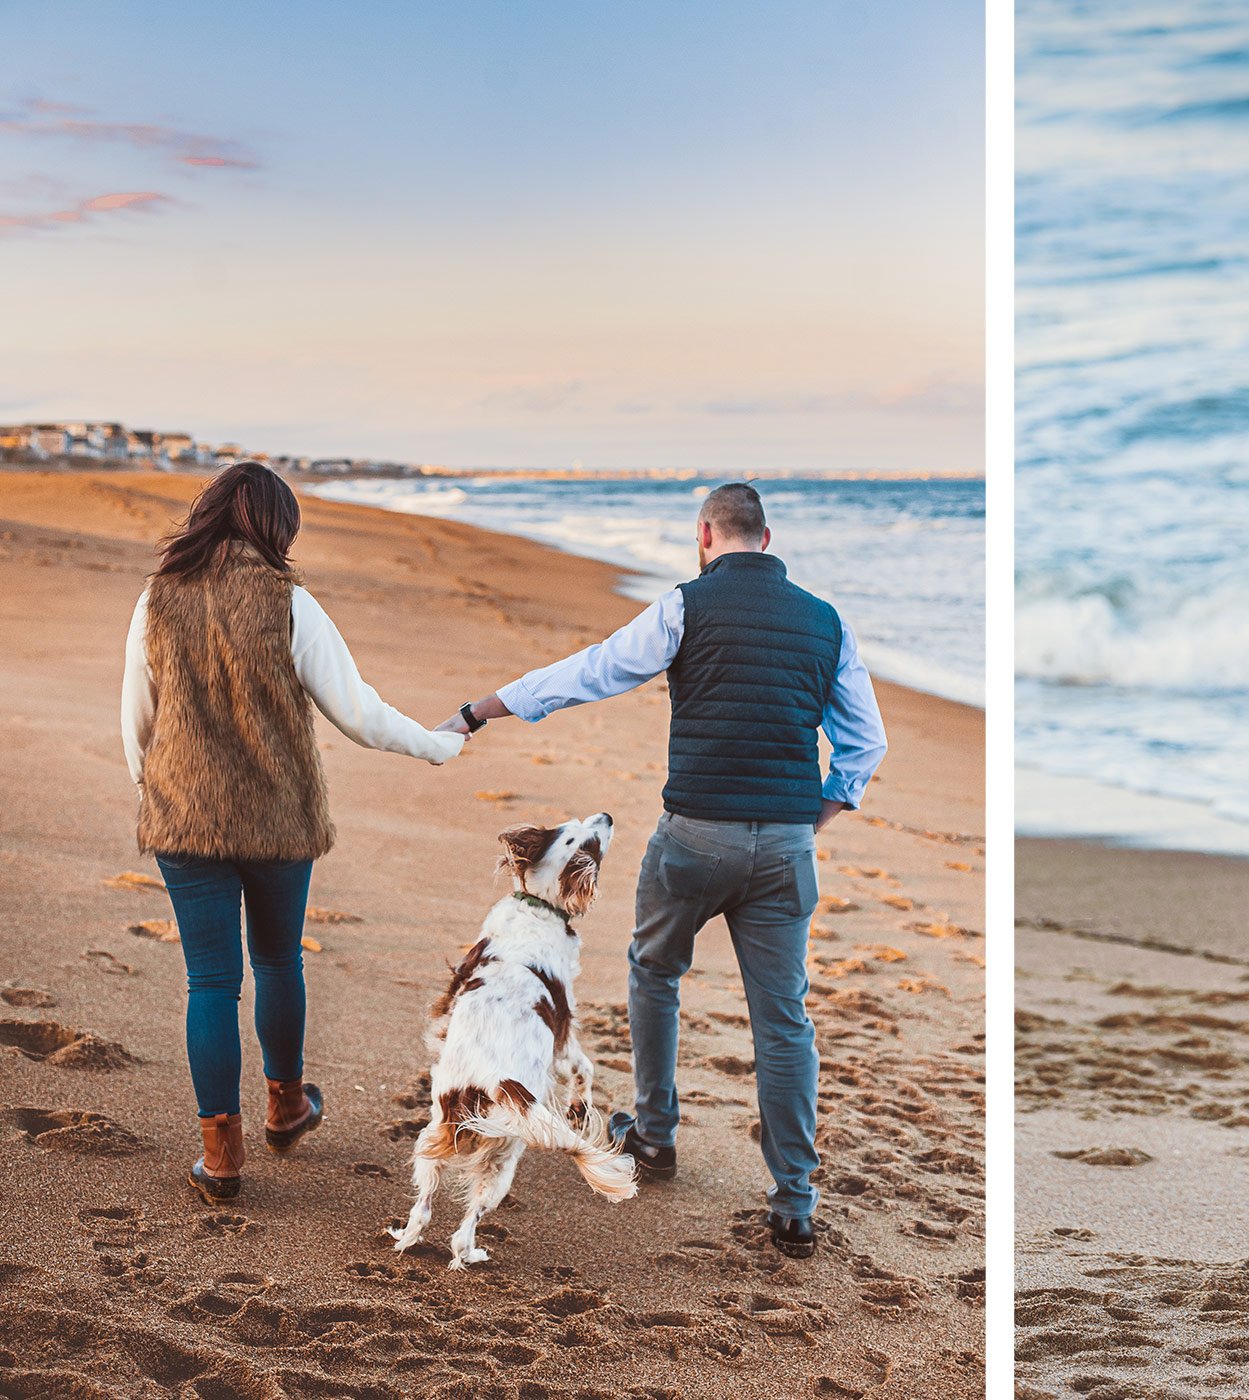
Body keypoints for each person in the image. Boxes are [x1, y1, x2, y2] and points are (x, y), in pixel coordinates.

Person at [444, 481, 887, 1260]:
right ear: (768, 537)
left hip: (693, 842)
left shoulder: (687, 606)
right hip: (785, 848)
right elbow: (864, 746)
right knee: (783, 1021)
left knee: (655, 970)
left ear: (705, 536)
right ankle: (794, 1203)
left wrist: (484, 708)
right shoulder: (830, 622)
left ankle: (654, 1135)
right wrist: (810, 820)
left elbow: (595, 671)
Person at [120, 462, 464, 1204]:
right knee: (277, 961)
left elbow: (137, 719)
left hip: (186, 819)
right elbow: (359, 713)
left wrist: (153, 793)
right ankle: (285, 1106)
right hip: (278, 819)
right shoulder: (290, 603)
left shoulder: (157, 599)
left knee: (211, 980)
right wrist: (439, 743)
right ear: (276, 528)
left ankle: (221, 1157)